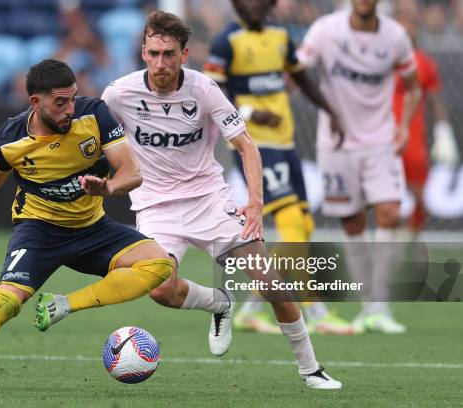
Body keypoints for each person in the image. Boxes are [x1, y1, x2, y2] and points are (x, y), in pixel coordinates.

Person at [96, 11, 341, 389]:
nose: (161, 63)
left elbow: (246, 146)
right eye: (154, 53)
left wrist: (256, 204)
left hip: (209, 199)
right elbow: (94, 142)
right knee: (160, 289)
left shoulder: (204, 89)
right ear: (143, 53)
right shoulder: (118, 94)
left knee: (270, 281)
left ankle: (312, 370)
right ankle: (219, 303)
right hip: (155, 206)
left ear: (185, 54)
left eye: (170, 54)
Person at [0, 59, 173, 396]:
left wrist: (109, 189)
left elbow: (131, 171)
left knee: (159, 265)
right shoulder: (12, 138)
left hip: (92, 228)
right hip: (39, 231)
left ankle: (63, 304)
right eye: (60, 102)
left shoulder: (94, 115)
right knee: (5, 303)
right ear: (35, 102)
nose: (69, 109)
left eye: (72, 99)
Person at [203, 0, 352, 335]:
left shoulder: (280, 36)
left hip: (285, 144)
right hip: (254, 146)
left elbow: (303, 78)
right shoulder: (225, 42)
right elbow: (213, 93)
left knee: (305, 225)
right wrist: (253, 115)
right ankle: (316, 312)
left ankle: (252, 309)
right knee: (291, 226)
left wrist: (332, 112)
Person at [296, 0, 422, 333]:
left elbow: (412, 86)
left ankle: (380, 306)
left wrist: (405, 125)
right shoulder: (326, 30)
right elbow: (297, 69)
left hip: (380, 140)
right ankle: (368, 305)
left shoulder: (395, 36)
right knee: (352, 224)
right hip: (335, 144)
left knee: (390, 213)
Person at [393, 12, 459, 239]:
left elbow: (436, 100)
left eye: (410, 25)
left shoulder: (424, 62)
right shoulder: (381, 60)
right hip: (381, 138)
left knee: (421, 196)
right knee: (378, 194)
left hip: (412, 139)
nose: (406, 30)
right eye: (401, 24)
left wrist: (443, 132)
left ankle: (407, 238)